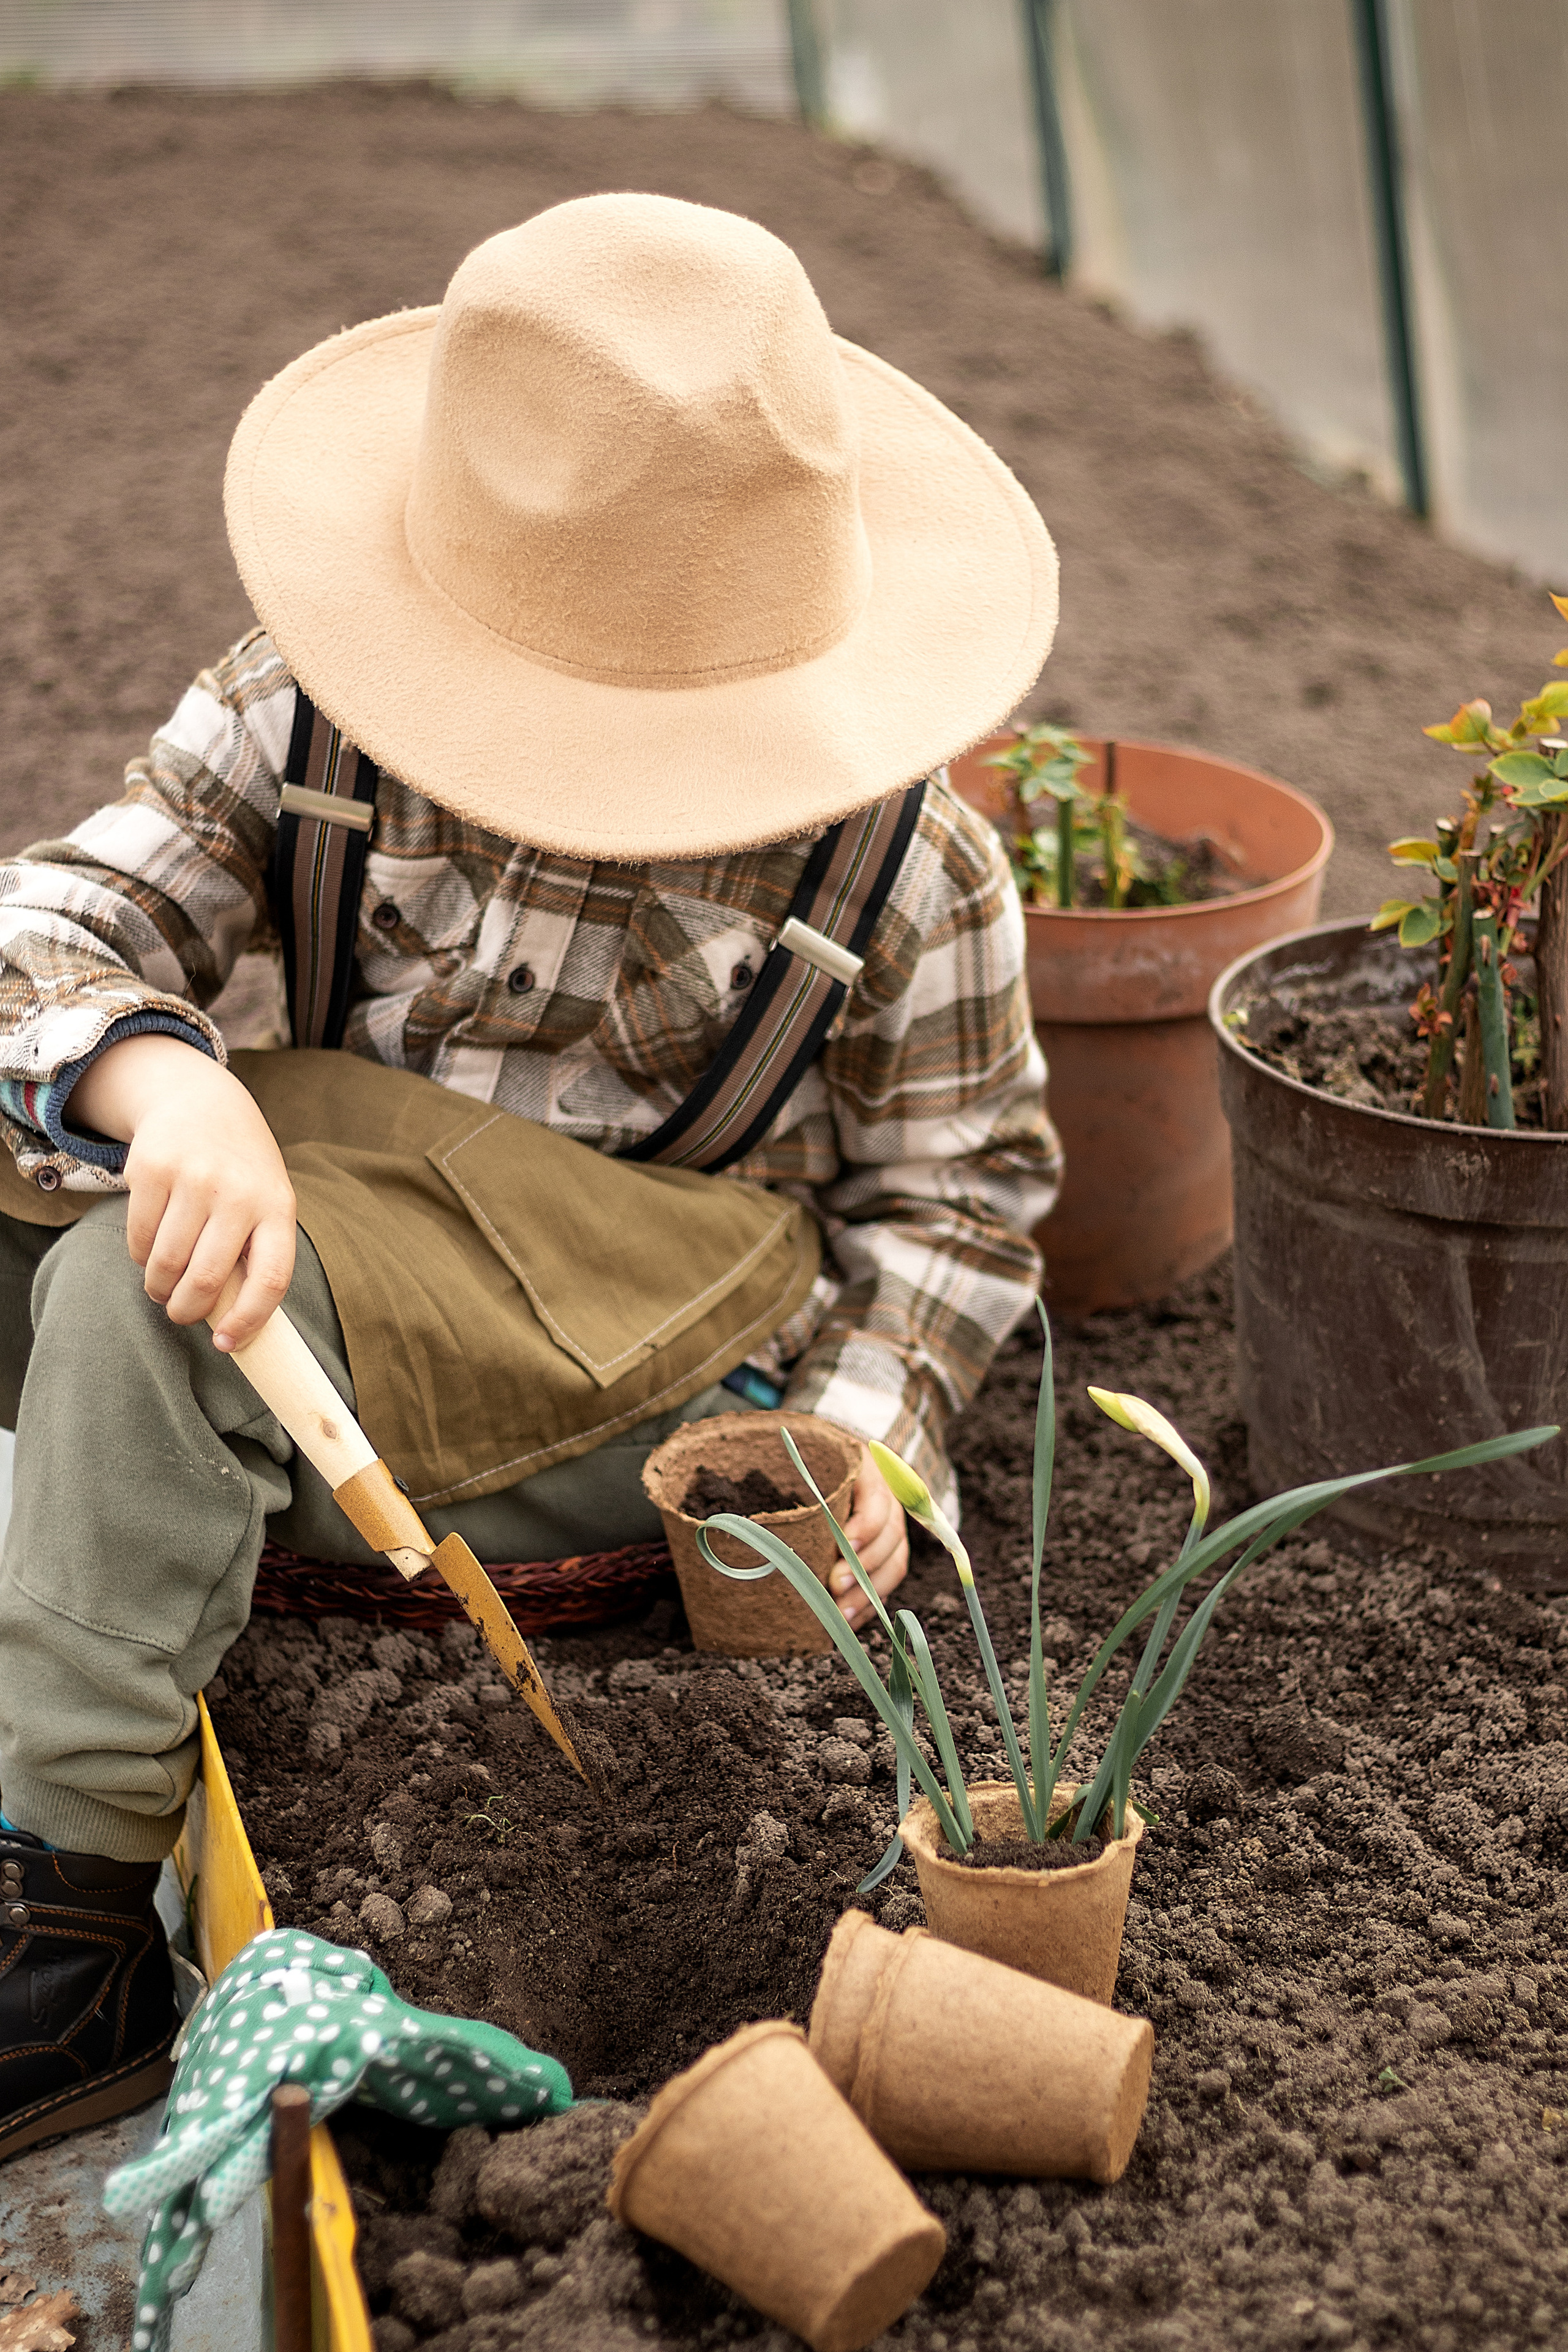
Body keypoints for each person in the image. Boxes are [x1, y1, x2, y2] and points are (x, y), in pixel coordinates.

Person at [0, 192, 1061, 2158]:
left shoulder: (902, 866)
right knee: (76, 1196)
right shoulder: (303, 712)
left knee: (129, 1315)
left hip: (637, 1329)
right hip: (344, 1214)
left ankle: (62, 1938)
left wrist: (856, 1449)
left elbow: (960, 1198)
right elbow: (50, 924)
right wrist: (159, 1073)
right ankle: (102, 1559)